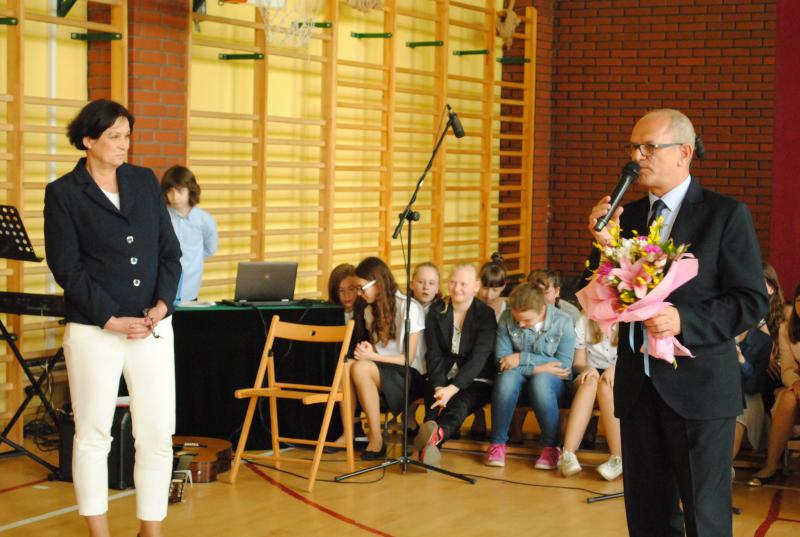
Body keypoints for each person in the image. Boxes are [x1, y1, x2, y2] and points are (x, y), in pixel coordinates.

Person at [586, 108, 768, 537]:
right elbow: (598, 292)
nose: (637, 157)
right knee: (647, 517)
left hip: (700, 390)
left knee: (704, 518)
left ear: (684, 152)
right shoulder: (628, 217)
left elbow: (750, 301)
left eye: (649, 147)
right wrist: (604, 245)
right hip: (639, 388)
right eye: (633, 147)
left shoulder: (724, 214)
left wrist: (684, 320)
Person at [44, 99, 182, 537]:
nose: (125, 144)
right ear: (88, 140)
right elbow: (67, 269)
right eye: (115, 136)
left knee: (157, 433)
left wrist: (162, 306)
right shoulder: (63, 193)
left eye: (127, 136)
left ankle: (150, 530)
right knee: (93, 434)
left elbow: (169, 253)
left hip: (152, 328)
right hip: (94, 330)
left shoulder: (143, 181)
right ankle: (99, 532)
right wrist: (109, 318)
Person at [486, 282, 575, 469]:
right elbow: (502, 362)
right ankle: (497, 444)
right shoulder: (506, 317)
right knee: (506, 379)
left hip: (552, 384)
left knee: (541, 382)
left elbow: (564, 367)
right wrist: (537, 368)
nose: (520, 324)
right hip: (517, 378)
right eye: (517, 319)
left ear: (542, 309)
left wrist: (521, 357)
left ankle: (551, 447)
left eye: (526, 320)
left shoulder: (563, 321)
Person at [415, 264, 496, 467]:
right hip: (441, 375)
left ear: (476, 286)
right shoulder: (436, 310)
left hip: (475, 378)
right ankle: (432, 444)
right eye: (453, 282)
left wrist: (451, 389)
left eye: (463, 284)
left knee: (459, 405)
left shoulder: (485, 314)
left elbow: (479, 358)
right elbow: (433, 353)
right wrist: (438, 387)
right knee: (433, 408)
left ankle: (431, 441)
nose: (457, 288)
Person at [347, 257, 425, 460]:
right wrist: (368, 349)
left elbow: (408, 360)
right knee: (347, 366)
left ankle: (376, 439)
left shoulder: (409, 308)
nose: (359, 293)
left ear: (378, 284)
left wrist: (371, 356)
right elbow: (379, 351)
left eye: (362, 288)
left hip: (410, 375)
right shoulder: (369, 310)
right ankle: (349, 432)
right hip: (383, 369)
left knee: (360, 368)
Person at [747, 283, 800, 486]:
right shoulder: (787, 329)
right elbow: (786, 369)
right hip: (797, 385)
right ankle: (770, 466)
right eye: (799, 301)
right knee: (786, 398)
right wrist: (795, 382)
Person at [560, 316, 622, 480]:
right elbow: (578, 363)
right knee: (589, 383)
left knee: (606, 386)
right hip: (590, 373)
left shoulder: (630, 321)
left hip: (618, 374)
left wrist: (616, 369)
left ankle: (618, 458)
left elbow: (634, 360)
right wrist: (588, 368)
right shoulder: (584, 321)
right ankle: (568, 454)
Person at [732, 263, 784, 461]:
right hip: (742, 379)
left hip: (766, 383)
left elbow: (771, 357)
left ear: (771, 288)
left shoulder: (781, 320)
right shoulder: (738, 316)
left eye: (760, 283)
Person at [160, 165, 217, 303]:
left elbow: (209, 249)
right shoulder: (160, 215)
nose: (175, 197)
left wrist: (192, 259)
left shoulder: (205, 220)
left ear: (190, 190)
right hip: (162, 286)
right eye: (170, 191)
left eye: (180, 191)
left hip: (190, 288)